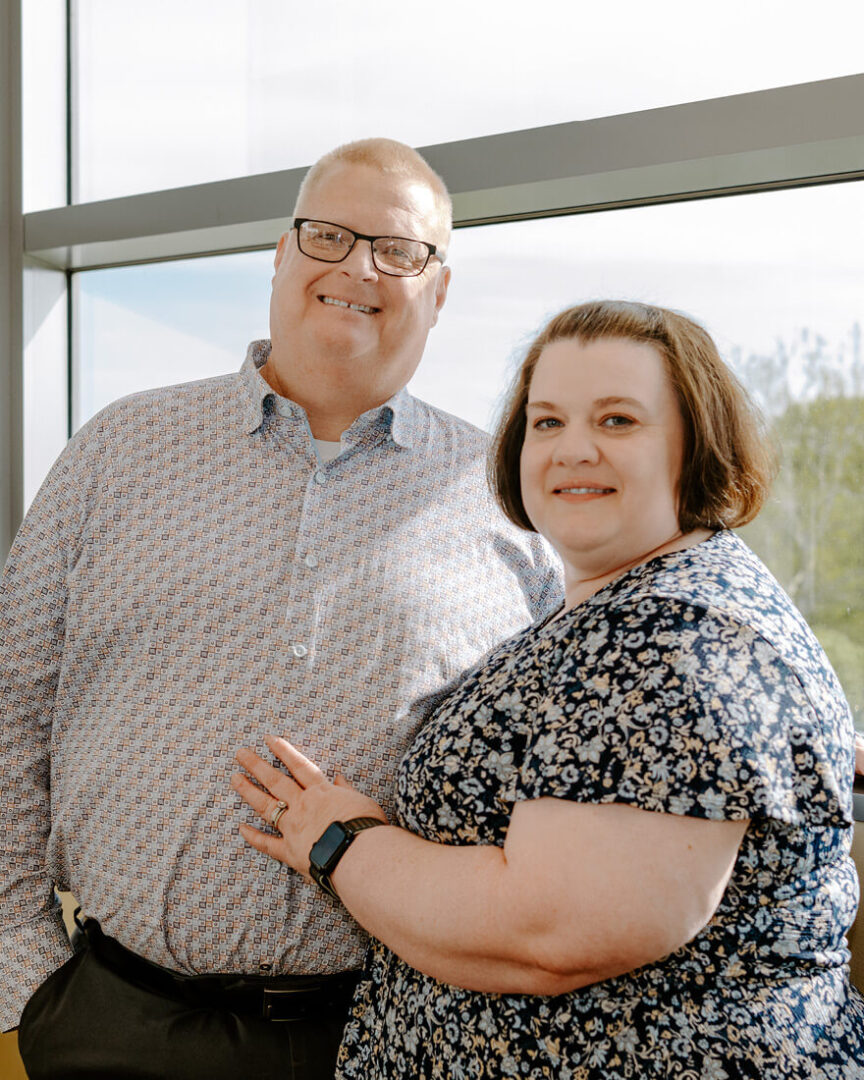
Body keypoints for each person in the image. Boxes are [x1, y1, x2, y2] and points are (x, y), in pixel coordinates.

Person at [0, 139, 562, 1079]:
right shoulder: (118, 449)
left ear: (441, 288)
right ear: (280, 252)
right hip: (105, 1019)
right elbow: (12, 706)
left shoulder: (504, 497)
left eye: (398, 250)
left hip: (385, 1038)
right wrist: (24, 987)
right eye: (329, 235)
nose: (357, 267)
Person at [234, 300, 864, 1079]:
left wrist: (339, 844)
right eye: (548, 422)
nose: (574, 450)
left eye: (619, 420)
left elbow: (549, 937)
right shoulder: (631, 606)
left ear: (695, 444)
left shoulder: (676, 634)